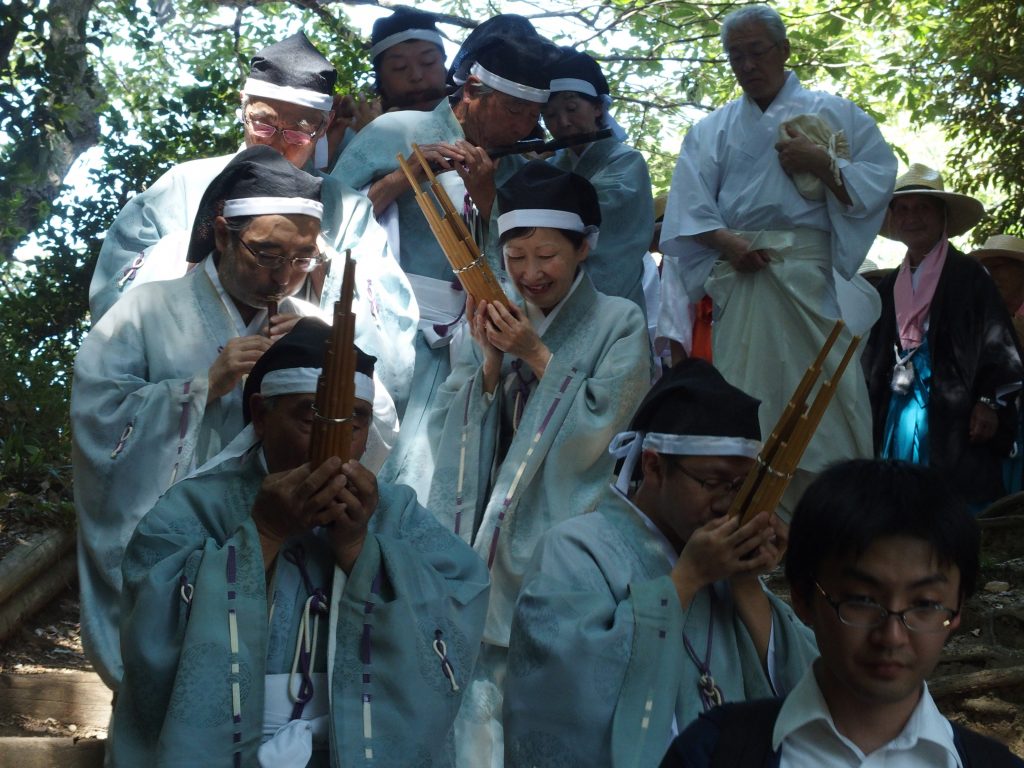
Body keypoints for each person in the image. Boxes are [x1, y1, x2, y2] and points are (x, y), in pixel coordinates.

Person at [109, 318, 490, 767]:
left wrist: (358, 549)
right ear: (261, 414)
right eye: (312, 418)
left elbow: (461, 599)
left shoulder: (395, 511)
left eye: (356, 422)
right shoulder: (194, 505)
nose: (335, 442)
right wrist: (265, 534)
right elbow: (150, 623)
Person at [73, 147, 346, 690]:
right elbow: (99, 417)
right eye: (267, 254)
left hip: (273, 530)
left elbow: (360, 428)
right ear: (222, 235)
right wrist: (203, 387)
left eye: (302, 259)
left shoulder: (310, 325)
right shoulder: (146, 309)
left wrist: (320, 368)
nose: (284, 276)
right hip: (174, 529)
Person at [427, 161, 654, 765]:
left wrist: (536, 354)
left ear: (584, 248)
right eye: (515, 257)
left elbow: (608, 424)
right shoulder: (499, 314)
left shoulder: (620, 321)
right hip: (491, 519)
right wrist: (491, 363)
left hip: (568, 528)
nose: (529, 273)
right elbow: (451, 420)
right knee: (479, 689)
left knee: (557, 685)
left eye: (547, 255)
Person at [504, 358, 818, 768]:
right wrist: (685, 581)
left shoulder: (722, 568)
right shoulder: (574, 550)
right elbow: (567, 694)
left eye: (741, 487)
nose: (727, 504)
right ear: (653, 466)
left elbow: (809, 695)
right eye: (712, 483)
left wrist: (744, 584)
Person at [658, 3, 896, 515]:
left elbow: (876, 183)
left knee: (830, 402)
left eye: (756, 51)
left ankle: (835, 519)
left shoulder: (837, 113)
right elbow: (688, 210)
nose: (746, 65)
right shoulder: (712, 130)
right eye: (735, 56)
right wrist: (727, 243)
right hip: (744, 283)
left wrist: (822, 163)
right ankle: (758, 519)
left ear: (784, 50)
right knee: (751, 400)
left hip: (810, 281)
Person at [662, 459, 1024, 767]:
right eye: (862, 600)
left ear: (958, 609)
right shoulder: (713, 752)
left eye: (925, 604)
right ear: (803, 598)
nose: (892, 637)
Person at [335, 15, 558, 501]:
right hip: (386, 327)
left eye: (533, 114)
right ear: (472, 90)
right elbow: (332, 223)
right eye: (514, 109)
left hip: (478, 344)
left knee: (447, 480)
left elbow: (525, 262)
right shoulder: (397, 130)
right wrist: (406, 176)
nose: (524, 126)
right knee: (371, 468)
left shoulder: (518, 165)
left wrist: (487, 194)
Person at [862, 164, 1023, 507]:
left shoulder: (969, 275)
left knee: (953, 499)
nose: (911, 217)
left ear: (942, 216)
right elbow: (871, 356)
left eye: (922, 208)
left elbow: (997, 342)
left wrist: (988, 402)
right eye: (903, 209)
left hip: (955, 410)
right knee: (898, 493)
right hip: (898, 404)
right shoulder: (887, 286)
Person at [542, 48, 655, 316]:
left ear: (597, 107)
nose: (563, 122)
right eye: (550, 115)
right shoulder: (549, 167)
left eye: (571, 109)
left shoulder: (627, 161)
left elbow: (600, 218)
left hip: (613, 303)